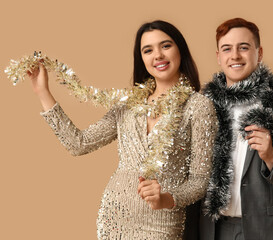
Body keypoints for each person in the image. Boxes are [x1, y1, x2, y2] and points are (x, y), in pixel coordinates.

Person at [27, 20, 217, 239]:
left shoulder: (198, 106)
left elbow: (200, 181)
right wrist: (42, 92)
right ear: (142, 59)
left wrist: (167, 198)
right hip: (114, 217)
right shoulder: (129, 103)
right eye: (148, 50)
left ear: (180, 50)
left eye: (166, 46)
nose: (158, 55)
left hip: (162, 222)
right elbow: (78, 144)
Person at [199, 18, 273, 240]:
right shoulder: (203, 111)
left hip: (269, 232)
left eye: (244, 47)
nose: (235, 56)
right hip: (214, 231)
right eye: (227, 49)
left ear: (259, 53)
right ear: (218, 57)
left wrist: (272, 158)